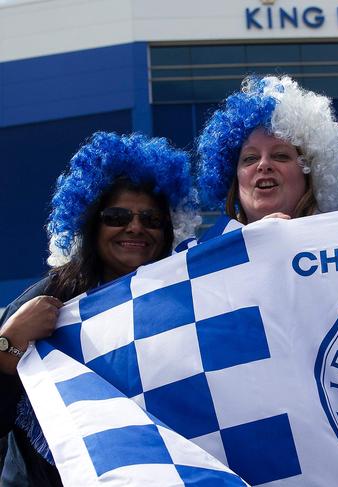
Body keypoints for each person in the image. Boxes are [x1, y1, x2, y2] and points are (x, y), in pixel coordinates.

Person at [0, 132, 198, 486]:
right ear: (91, 224)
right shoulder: (49, 297)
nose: (135, 226)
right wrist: (10, 340)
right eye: (117, 216)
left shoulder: (182, 302)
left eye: (151, 219)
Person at [195, 75, 338, 234]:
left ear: (310, 173)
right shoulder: (205, 255)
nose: (263, 164)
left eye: (280, 156)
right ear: (234, 178)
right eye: (250, 159)